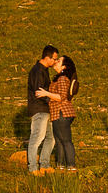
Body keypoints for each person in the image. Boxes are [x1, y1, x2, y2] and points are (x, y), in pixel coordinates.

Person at [38, 55, 79, 171]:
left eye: (59, 61)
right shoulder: (58, 78)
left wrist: (46, 93)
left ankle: (71, 166)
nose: (56, 62)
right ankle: (60, 166)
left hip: (62, 112)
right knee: (60, 141)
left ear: (64, 66)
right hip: (57, 113)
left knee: (66, 140)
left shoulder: (62, 79)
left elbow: (61, 97)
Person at [27, 44, 59, 174]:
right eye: (54, 59)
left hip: (47, 109)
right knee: (37, 138)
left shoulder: (44, 70)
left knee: (51, 138)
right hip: (39, 108)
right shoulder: (37, 71)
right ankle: (33, 168)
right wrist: (52, 99)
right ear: (47, 58)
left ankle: (45, 165)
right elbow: (38, 92)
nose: (55, 61)